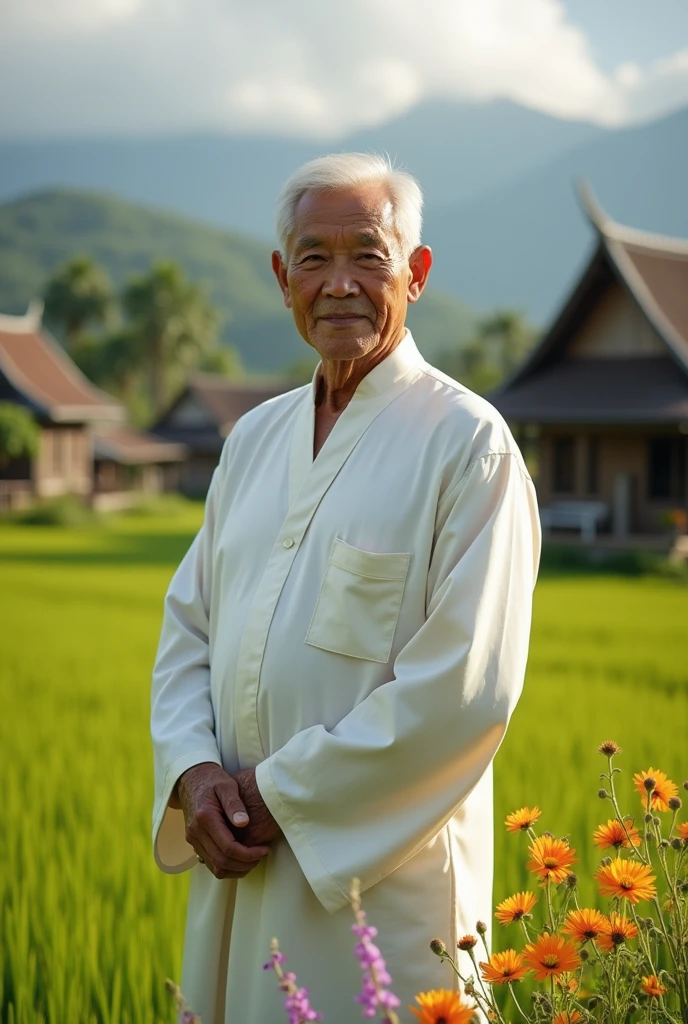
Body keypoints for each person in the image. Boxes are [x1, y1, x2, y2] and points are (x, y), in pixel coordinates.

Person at [151, 152, 541, 1024]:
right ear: (282, 277)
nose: (340, 285)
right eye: (314, 258)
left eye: (368, 255)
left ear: (418, 272)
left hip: (380, 890)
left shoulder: (467, 445)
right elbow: (188, 632)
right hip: (239, 865)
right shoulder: (253, 439)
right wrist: (196, 773)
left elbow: (465, 690)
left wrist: (278, 794)